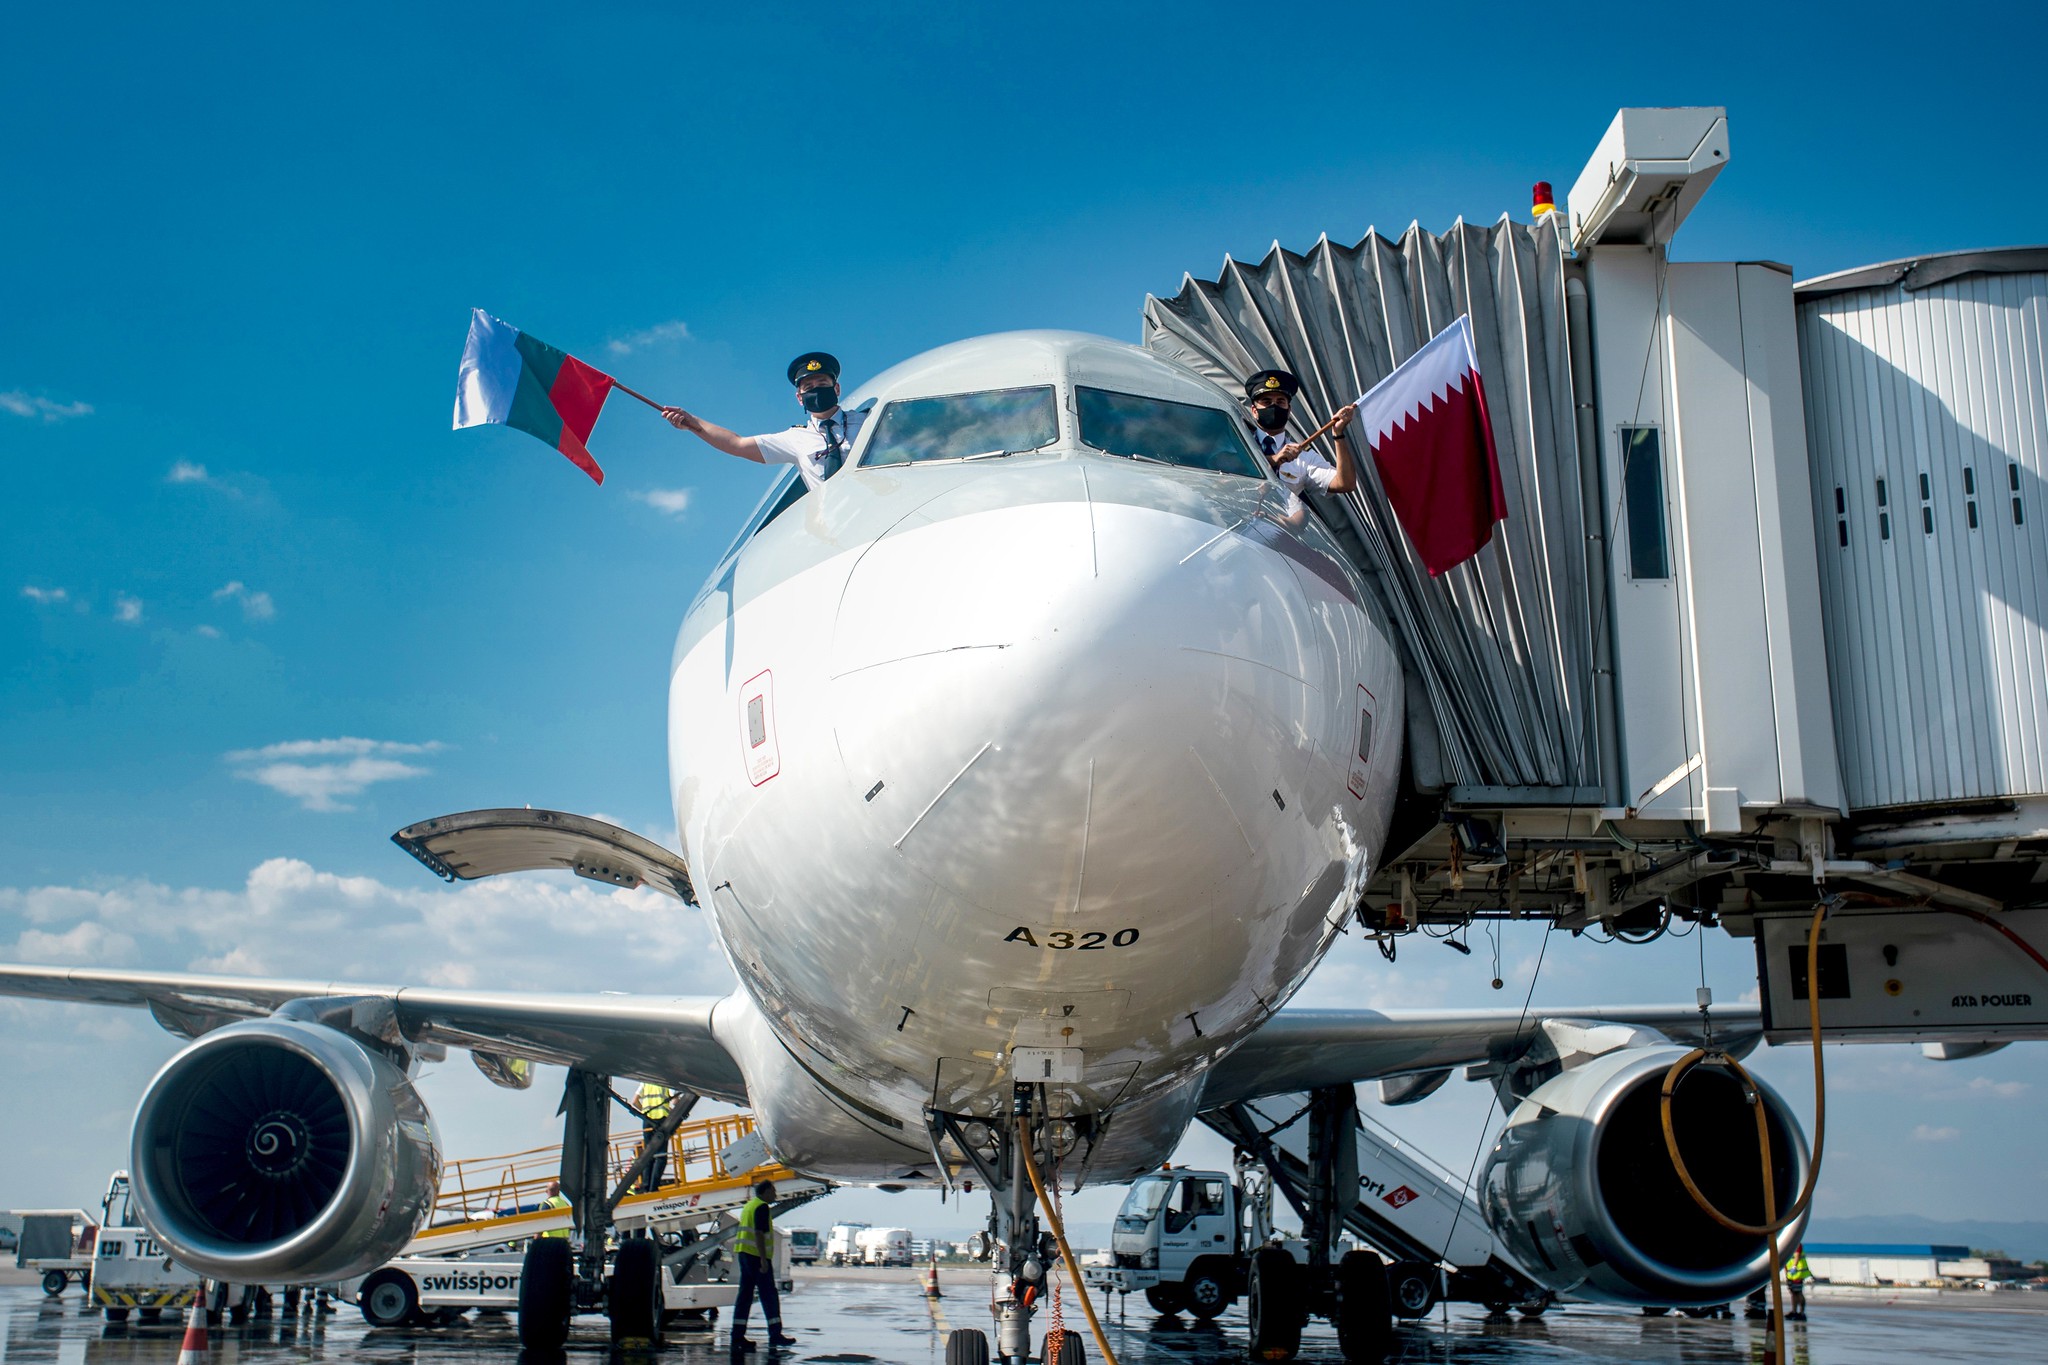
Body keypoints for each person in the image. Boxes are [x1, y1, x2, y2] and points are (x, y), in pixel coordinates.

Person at [661, 352, 867, 492]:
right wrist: (693, 423)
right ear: (800, 398)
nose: (816, 390)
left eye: (822, 384)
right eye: (809, 387)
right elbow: (736, 444)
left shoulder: (867, 421)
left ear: (836, 389)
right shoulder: (795, 439)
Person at [1243, 368, 1358, 497]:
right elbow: (1229, 467)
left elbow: (1345, 484)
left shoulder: (1303, 456)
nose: (1274, 407)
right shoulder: (1239, 440)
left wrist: (1338, 434)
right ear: (1254, 411)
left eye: (1280, 402)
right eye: (1267, 402)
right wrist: (1272, 460)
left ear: (1288, 410)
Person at [731, 1179, 796, 1352]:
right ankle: (775, 1334)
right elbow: (759, 1234)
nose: (775, 1195)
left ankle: (737, 1336)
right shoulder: (761, 1207)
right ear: (765, 1191)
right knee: (769, 1295)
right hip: (756, 1256)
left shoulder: (749, 1206)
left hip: (744, 1254)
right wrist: (763, 1259)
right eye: (773, 1191)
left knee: (744, 1296)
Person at [637, 1082, 674, 1192]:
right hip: (661, 1120)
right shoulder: (666, 1081)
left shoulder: (645, 1082)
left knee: (649, 1154)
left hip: (647, 1120)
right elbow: (675, 1101)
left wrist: (645, 1112)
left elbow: (634, 1101)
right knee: (661, 1156)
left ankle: (646, 1186)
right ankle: (653, 1188)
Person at [1785, 1244, 1812, 1320]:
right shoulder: (1789, 1245)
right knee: (1793, 1292)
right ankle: (1794, 1311)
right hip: (1791, 1274)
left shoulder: (1796, 1244)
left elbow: (1797, 1255)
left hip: (1797, 1273)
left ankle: (1801, 1312)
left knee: (1798, 1292)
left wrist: (1794, 1267)